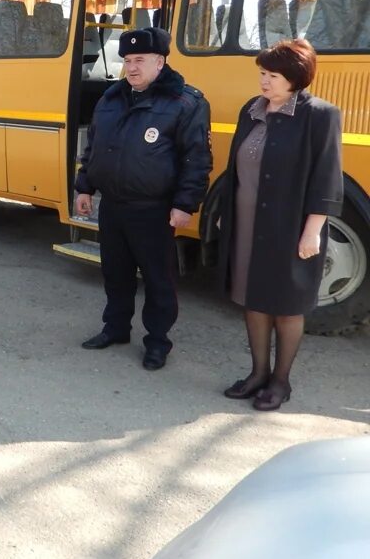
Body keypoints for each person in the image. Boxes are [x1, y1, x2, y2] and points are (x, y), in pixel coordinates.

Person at [75, 27, 212, 371]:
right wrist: (84, 187)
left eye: (140, 60)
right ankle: (116, 328)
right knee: (116, 273)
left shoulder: (186, 102)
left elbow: (196, 159)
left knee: (157, 279)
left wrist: (184, 205)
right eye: (127, 60)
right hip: (113, 206)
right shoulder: (111, 98)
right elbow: (94, 147)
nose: (132, 67)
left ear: (160, 62)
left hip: (154, 210)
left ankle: (157, 342)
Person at [219, 39, 342, 411]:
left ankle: (280, 382)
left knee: (287, 304)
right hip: (246, 222)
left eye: (272, 75)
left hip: (289, 224)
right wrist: (226, 209)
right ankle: (257, 373)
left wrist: (312, 230)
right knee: (252, 298)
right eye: (262, 73)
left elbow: (326, 178)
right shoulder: (251, 110)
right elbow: (237, 167)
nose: (264, 81)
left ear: (295, 79)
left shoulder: (320, 115)